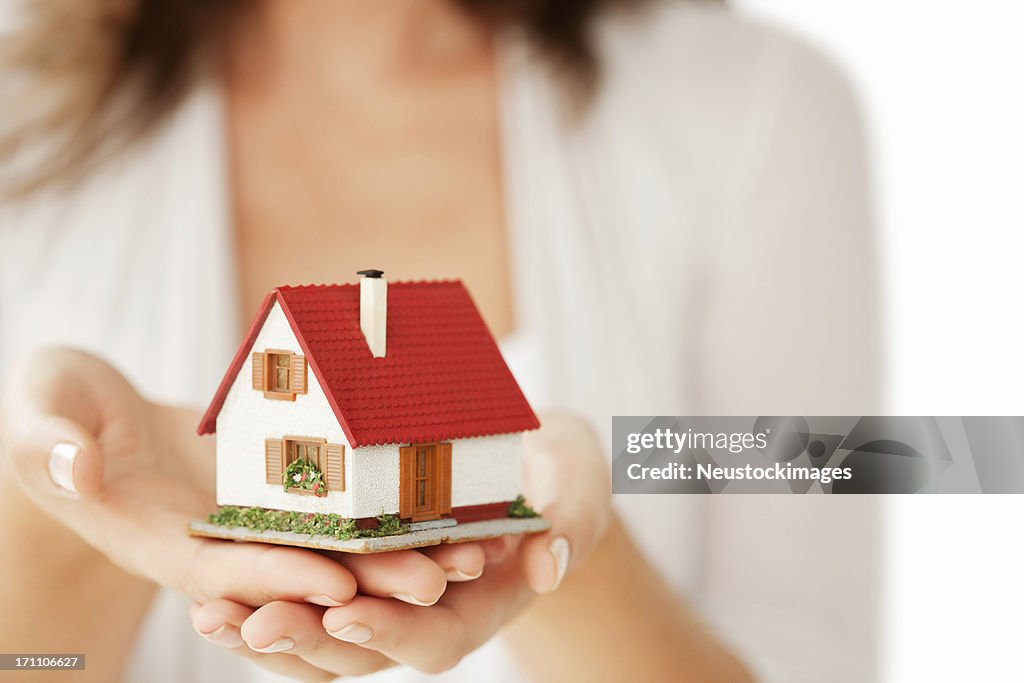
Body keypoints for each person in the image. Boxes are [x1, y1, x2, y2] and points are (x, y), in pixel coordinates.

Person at [0, 0, 881, 681]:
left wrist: (563, 559)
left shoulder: (757, 110)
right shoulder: (19, 111)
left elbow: (811, 657)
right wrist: (69, 530)